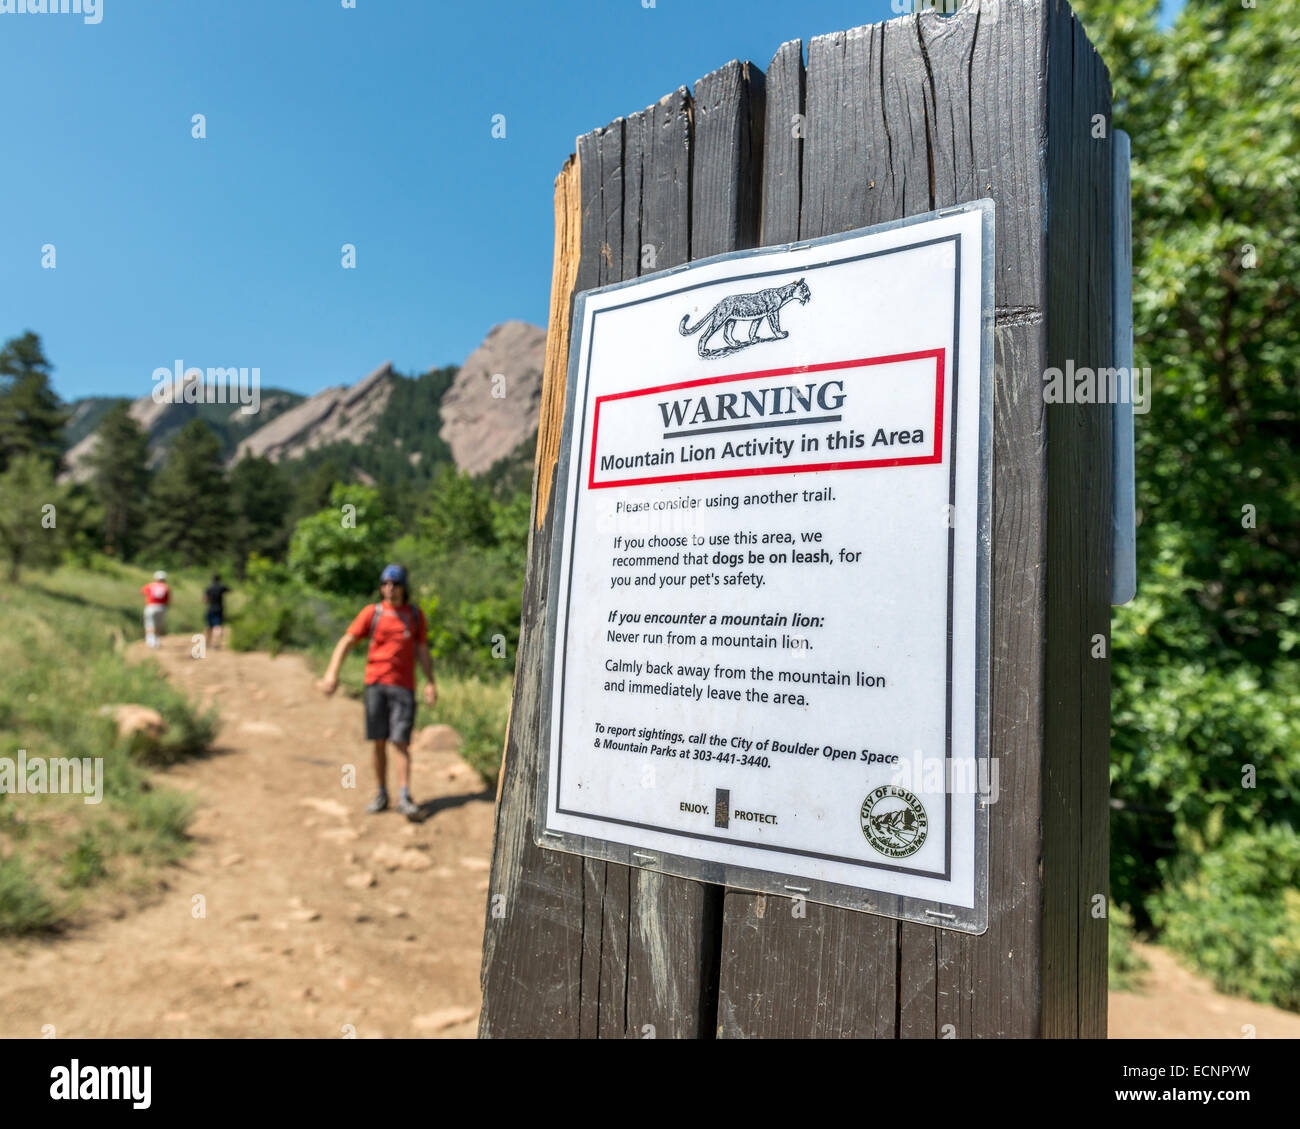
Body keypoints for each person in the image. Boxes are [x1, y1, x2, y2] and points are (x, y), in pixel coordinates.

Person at [320, 564, 436, 818]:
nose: (389, 588)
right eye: (385, 583)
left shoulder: (415, 615)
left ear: (404, 588)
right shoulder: (372, 613)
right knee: (379, 741)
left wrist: (430, 682)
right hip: (375, 685)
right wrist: (332, 673)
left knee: (401, 741)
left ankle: (404, 796)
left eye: (395, 584)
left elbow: (422, 651)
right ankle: (382, 793)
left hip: (403, 687)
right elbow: (347, 641)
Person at [141, 570, 170, 649]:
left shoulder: (150, 585)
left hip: (151, 606)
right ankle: (156, 640)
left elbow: (143, 592)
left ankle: (149, 640)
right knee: (158, 624)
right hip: (162, 607)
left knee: (149, 624)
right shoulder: (166, 587)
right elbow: (167, 600)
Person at [203, 573, 230, 650]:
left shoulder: (209, 588)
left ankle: (207, 643)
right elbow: (230, 590)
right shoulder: (221, 587)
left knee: (209, 626)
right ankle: (216, 643)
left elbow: (204, 600)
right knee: (218, 626)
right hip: (219, 609)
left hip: (210, 608)